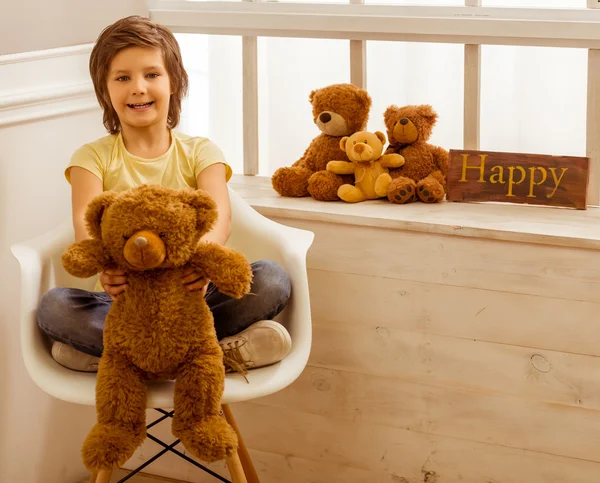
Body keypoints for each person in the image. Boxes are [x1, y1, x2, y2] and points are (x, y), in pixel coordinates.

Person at [36, 15, 292, 375]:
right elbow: (86, 227)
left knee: (271, 279)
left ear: (175, 83)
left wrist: (199, 266)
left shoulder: (201, 151)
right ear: (105, 90)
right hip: (122, 305)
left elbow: (219, 217)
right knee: (56, 306)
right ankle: (212, 356)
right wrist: (107, 270)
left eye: (151, 74)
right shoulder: (90, 158)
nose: (138, 87)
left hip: (191, 300)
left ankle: (121, 360)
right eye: (122, 77)